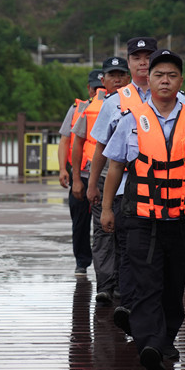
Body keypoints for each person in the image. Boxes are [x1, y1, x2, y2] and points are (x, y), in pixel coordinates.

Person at [101, 49, 185, 370]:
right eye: (159, 75)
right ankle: (149, 344)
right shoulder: (131, 121)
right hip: (141, 216)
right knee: (146, 280)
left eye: (171, 75)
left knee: (173, 282)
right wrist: (105, 208)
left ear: (180, 81)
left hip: (182, 217)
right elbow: (115, 168)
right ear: (148, 79)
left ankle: (166, 337)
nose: (165, 80)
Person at [87, 38, 185, 335]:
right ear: (129, 63)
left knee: (161, 257)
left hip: (168, 192)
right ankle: (131, 308)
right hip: (124, 190)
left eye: (148, 57)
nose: (142, 62)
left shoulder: (179, 101)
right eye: (136, 57)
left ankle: (146, 313)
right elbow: (101, 149)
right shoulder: (114, 102)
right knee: (130, 250)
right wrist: (93, 185)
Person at [70, 57, 129, 305]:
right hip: (103, 178)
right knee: (103, 232)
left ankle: (122, 284)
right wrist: (81, 180)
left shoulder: (143, 104)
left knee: (126, 233)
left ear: (128, 77)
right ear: (102, 80)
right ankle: (105, 285)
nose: (116, 79)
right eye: (111, 75)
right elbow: (78, 143)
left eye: (120, 75)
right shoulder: (90, 108)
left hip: (134, 182)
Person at [57, 69, 102, 276]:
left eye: (101, 88)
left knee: (105, 223)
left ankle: (106, 267)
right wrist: (63, 170)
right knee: (80, 221)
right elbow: (65, 140)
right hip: (81, 174)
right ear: (88, 88)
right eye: (95, 88)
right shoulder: (78, 109)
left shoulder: (116, 107)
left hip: (105, 176)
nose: (97, 92)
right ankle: (82, 262)